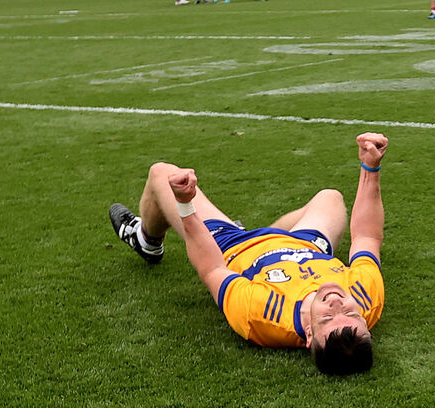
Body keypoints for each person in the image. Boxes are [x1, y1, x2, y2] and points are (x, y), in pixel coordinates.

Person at [108, 132, 389, 375]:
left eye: (327, 318)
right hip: (307, 246)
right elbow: (367, 236)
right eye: (351, 314)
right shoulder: (366, 297)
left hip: (233, 245)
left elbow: (212, 269)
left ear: (310, 336)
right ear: (365, 323)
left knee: (162, 172)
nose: (336, 302)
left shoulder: (261, 315)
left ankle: (146, 240)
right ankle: (268, 233)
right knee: (330, 197)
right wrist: (370, 167)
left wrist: (185, 205)